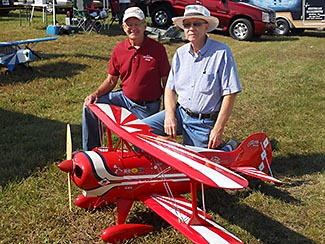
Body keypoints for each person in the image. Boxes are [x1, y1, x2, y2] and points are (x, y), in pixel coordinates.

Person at [142, 5, 242, 149]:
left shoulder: (222, 52)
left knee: (198, 165)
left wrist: (218, 128)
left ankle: (229, 148)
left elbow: (230, 93)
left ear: (206, 26)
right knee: (138, 129)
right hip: (180, 113)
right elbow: (170, 89)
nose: (191, 28)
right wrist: (170, 116)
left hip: (202, 122)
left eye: (196, 24)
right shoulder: (180, 53)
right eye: (187, 24)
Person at [82, 6, 170, 151]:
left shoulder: (158, 49)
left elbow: (166, 82)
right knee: (90, 106)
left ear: (144, 26)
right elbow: (111, 80)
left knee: (140, 147)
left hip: (147, 106)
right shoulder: (119, 49)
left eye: (137, 24)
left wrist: (167, 112)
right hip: (124, 99)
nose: (133, 28)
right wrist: (95, 94)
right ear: (123, 27)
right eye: (129, 24)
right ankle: (92, 150)